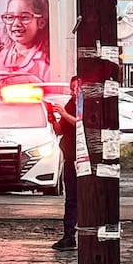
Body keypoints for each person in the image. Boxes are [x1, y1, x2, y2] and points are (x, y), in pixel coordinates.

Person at [0, 0, 51, 80]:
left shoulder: (47, 62)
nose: (16, 23)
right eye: (10, 17)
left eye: (24, 17)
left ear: (41, 22)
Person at [50, 76, 80, 251]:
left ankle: (80, 234)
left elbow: (80, 123)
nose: (74, 92)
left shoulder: (85, 104)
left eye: (76, 88)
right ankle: (68, 236)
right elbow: (61, 130)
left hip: (82, 159)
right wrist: (54, 119)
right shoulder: (71, 103)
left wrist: (64, 113)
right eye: (72, 89)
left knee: (81, 199)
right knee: (71, 200)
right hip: (70, 158)